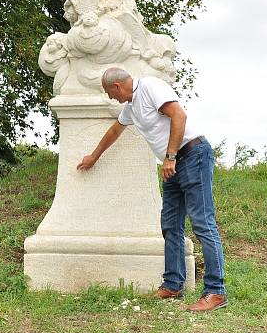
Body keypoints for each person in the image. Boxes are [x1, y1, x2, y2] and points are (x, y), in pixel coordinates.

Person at [76, 67, 227, 312]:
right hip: (174, 165)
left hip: (192, 156)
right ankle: (173, 285)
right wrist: (94, 156)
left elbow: (179, 115)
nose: (110, 98)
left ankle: (216, 292)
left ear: (117, 86)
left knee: (202, 223)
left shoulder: (150, 87)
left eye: (109, 93)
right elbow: (115, 130)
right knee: (170, 225)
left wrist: (170, 156)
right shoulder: (132, 107)